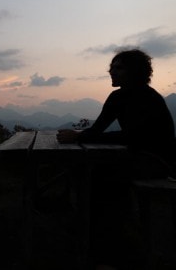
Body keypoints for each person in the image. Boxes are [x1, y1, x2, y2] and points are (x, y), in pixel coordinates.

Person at [57, 48, 176, 270]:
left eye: (118, 68)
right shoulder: (116, 97)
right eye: (111, 67)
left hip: (157, 162)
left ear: (135, 71)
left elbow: (135, 136)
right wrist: (80, 136)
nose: (112, 71)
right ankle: (104, 241)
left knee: (101, 179)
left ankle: (110, 248)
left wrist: (80, 136)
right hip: (136, 157)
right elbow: (99, 128)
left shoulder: (148, 98)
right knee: (94, 175)